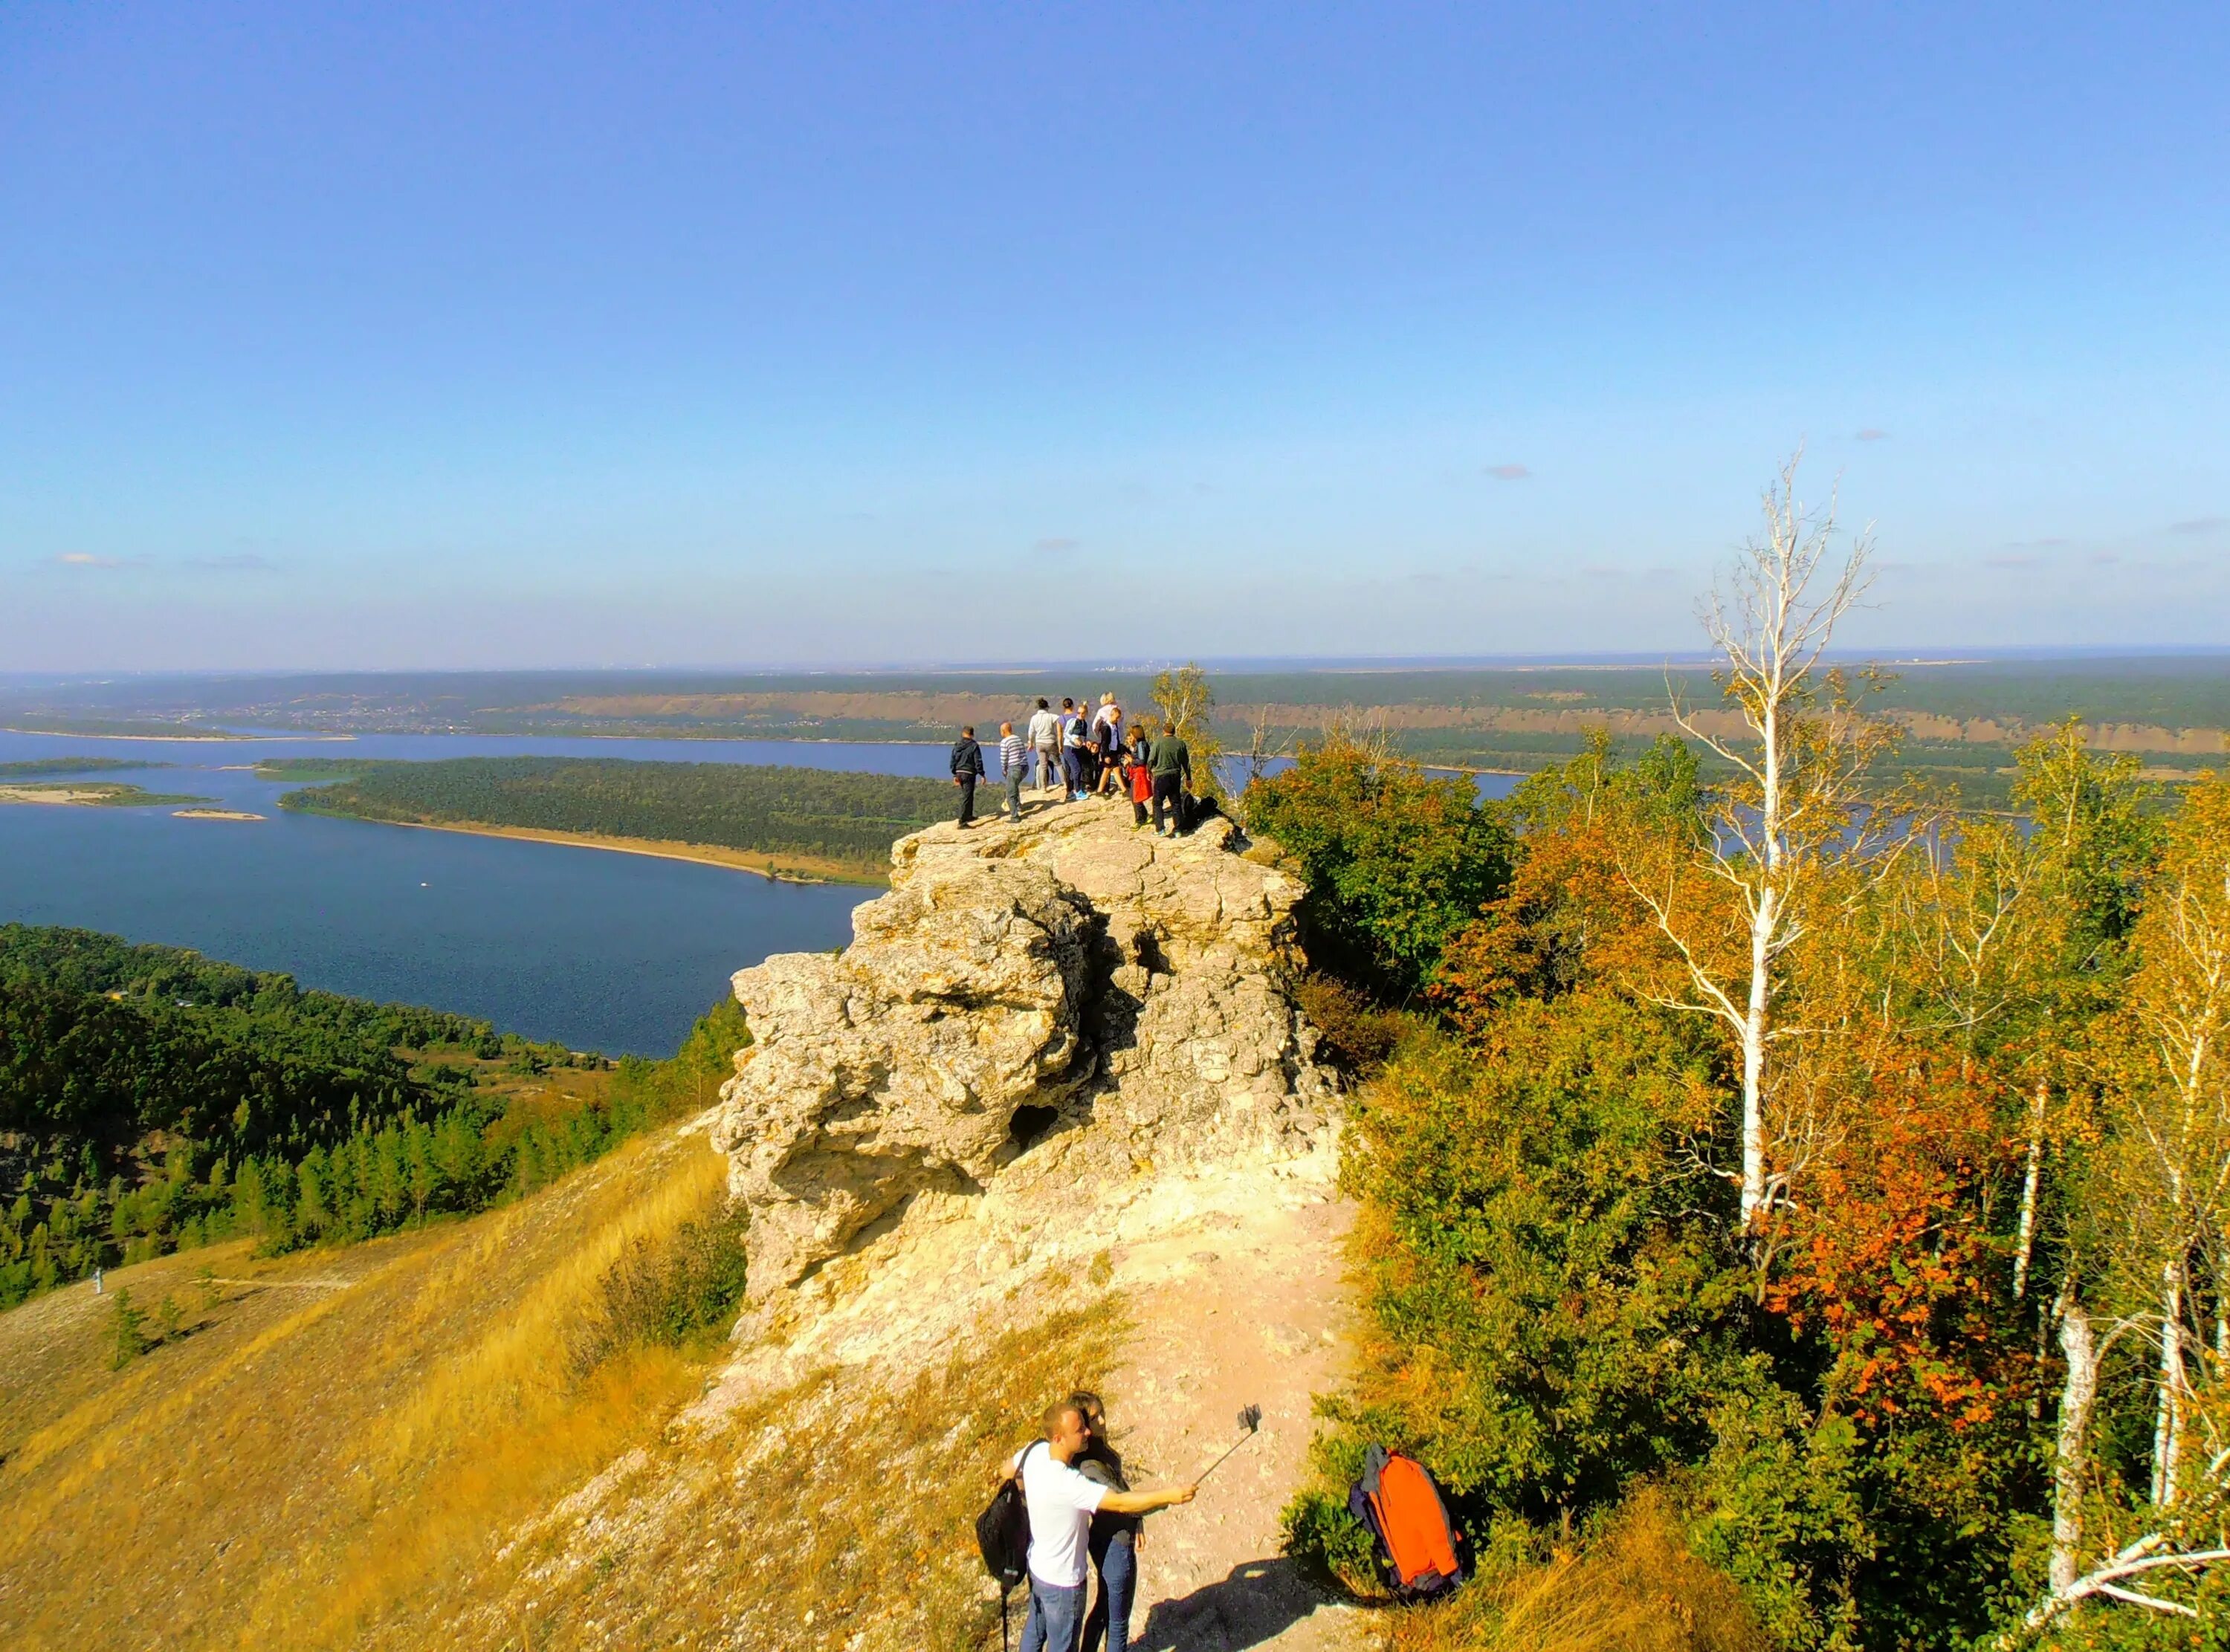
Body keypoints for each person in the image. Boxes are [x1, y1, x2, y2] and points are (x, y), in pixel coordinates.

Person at [1007, 1401, 1195, 1652]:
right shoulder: (1069, 1482)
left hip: (1038, 1571)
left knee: (1034, 1632)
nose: (1087, 1432)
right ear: (1059, 1438)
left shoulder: (1035, 1451)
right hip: (1064, 1585)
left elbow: (1006, 1470)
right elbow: (1119, 1503)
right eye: (1080, 1430)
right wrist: (1169, 1496)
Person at [1071, 1390, 1141, 1652]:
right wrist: (1166, 1499)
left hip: (1109, 1536)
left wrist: (1138, 1523)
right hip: (1114, 1542)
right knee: (1118, 1621)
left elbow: (1121, 1486)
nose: (1102, 1420)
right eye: (1094, 1417)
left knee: (1104, 1607)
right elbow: (1121, 1496)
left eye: (1102, 1413)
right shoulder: (1090, 1465)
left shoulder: (1100, 1449)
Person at [1148, 721, 1191, 836]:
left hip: (1161, 776)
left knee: (1157, 803)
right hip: (1175, 775)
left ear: (1164, 731)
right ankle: (1178, 830)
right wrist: (1188, 778)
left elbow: (1151, 759)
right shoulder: (1180, 743)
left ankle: (1160, 829)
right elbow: (1186, 762)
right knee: (1176, 803)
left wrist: (1149, 771)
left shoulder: (1158, 743)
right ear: (1174, 731)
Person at [950, 725, 985, 828]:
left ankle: (968, 815)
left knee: (968, 795)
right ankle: (962, 821)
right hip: (969, 773)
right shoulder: (974, 745)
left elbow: (953, 760)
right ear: (972, 734)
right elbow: (978, 761)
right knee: (967, 796)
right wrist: (982, 774)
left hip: (959, 772)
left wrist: (954, 774)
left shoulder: (957, 745)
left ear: (963, 733)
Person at [1027, 697, 1062, 798]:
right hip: (1051, 741)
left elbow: (1031, 732)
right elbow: (1060, 719)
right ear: (1047, 707)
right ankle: (1065, 783)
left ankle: (1043, 788)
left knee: (1043, 766)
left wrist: (1031, 743)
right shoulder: (1051, 716)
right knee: (1058, 764)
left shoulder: (1034, 718)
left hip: (1040, 743)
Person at [998, 720, 1029, 823]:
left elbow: (1004, 758)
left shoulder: (1005, 742)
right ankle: (1018, 806)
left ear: (1004, 731)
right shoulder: (1018, 738)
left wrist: (1004, 769)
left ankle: (1015, 817)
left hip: (1014, 768)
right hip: (1024, 767)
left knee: (1010, 793)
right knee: (1015, 786)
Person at [1125, 723, 1154, 827]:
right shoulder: (1140, 745)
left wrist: (1131, 760)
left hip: (1139, 773)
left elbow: (1142, 760)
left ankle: (1140, 819)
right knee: (1134, 795)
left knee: (1135, 796)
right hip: (1137, 771)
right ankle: (1145, 815)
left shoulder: (1141, 745)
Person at [1061, 698, 1089, 801]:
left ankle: (1071, 792)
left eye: (1083, 713)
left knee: (1073, 770)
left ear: (1086, 713)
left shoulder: (1084, 724)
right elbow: (1066, 734)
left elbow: (1083, 737)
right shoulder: (1073, 721)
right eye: (1079, 713)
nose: (1080, 715)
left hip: (1077, 748)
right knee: (1076, 768)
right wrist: (1074, 739)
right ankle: (1077, 791)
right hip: (1069, 747)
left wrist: (1086, 742)